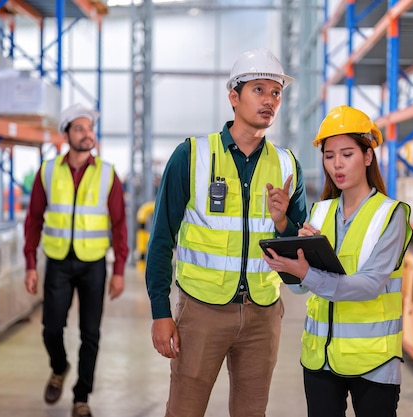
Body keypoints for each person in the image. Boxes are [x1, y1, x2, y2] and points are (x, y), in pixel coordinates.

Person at [145, 48, 308, 417]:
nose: (269, 101)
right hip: (202, 311)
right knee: (184, 410)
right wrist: (160, 311)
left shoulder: (287, 164)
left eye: (277, 93)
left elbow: (298, 255)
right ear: (234, 97)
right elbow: (160, 240)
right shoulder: (192, 156)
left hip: (263, 314)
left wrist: (283, 222)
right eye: (259, 90)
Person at [262, 105, 412, 417]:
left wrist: (308, 273)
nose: (337, 164)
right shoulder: (319, 213)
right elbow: (302, 290)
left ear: (367, 156)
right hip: (320, 359)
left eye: (347, 154)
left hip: (373, 361)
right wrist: (283, 229)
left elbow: (370, 285)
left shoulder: (390, 215)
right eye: (329, 156)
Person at [23, 103, 128, 417]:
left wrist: (119, 270)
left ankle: (81, 397)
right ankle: (59, 366)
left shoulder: (108, 174)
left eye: (90, 129)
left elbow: (120, 224)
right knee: (51, 329)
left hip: (93, 263)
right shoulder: (48, 170)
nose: (87, 134)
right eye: (80, 129)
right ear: (66, 134)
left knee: (90, 334)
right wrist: (30, 263)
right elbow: (33, 219)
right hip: (57, 260)